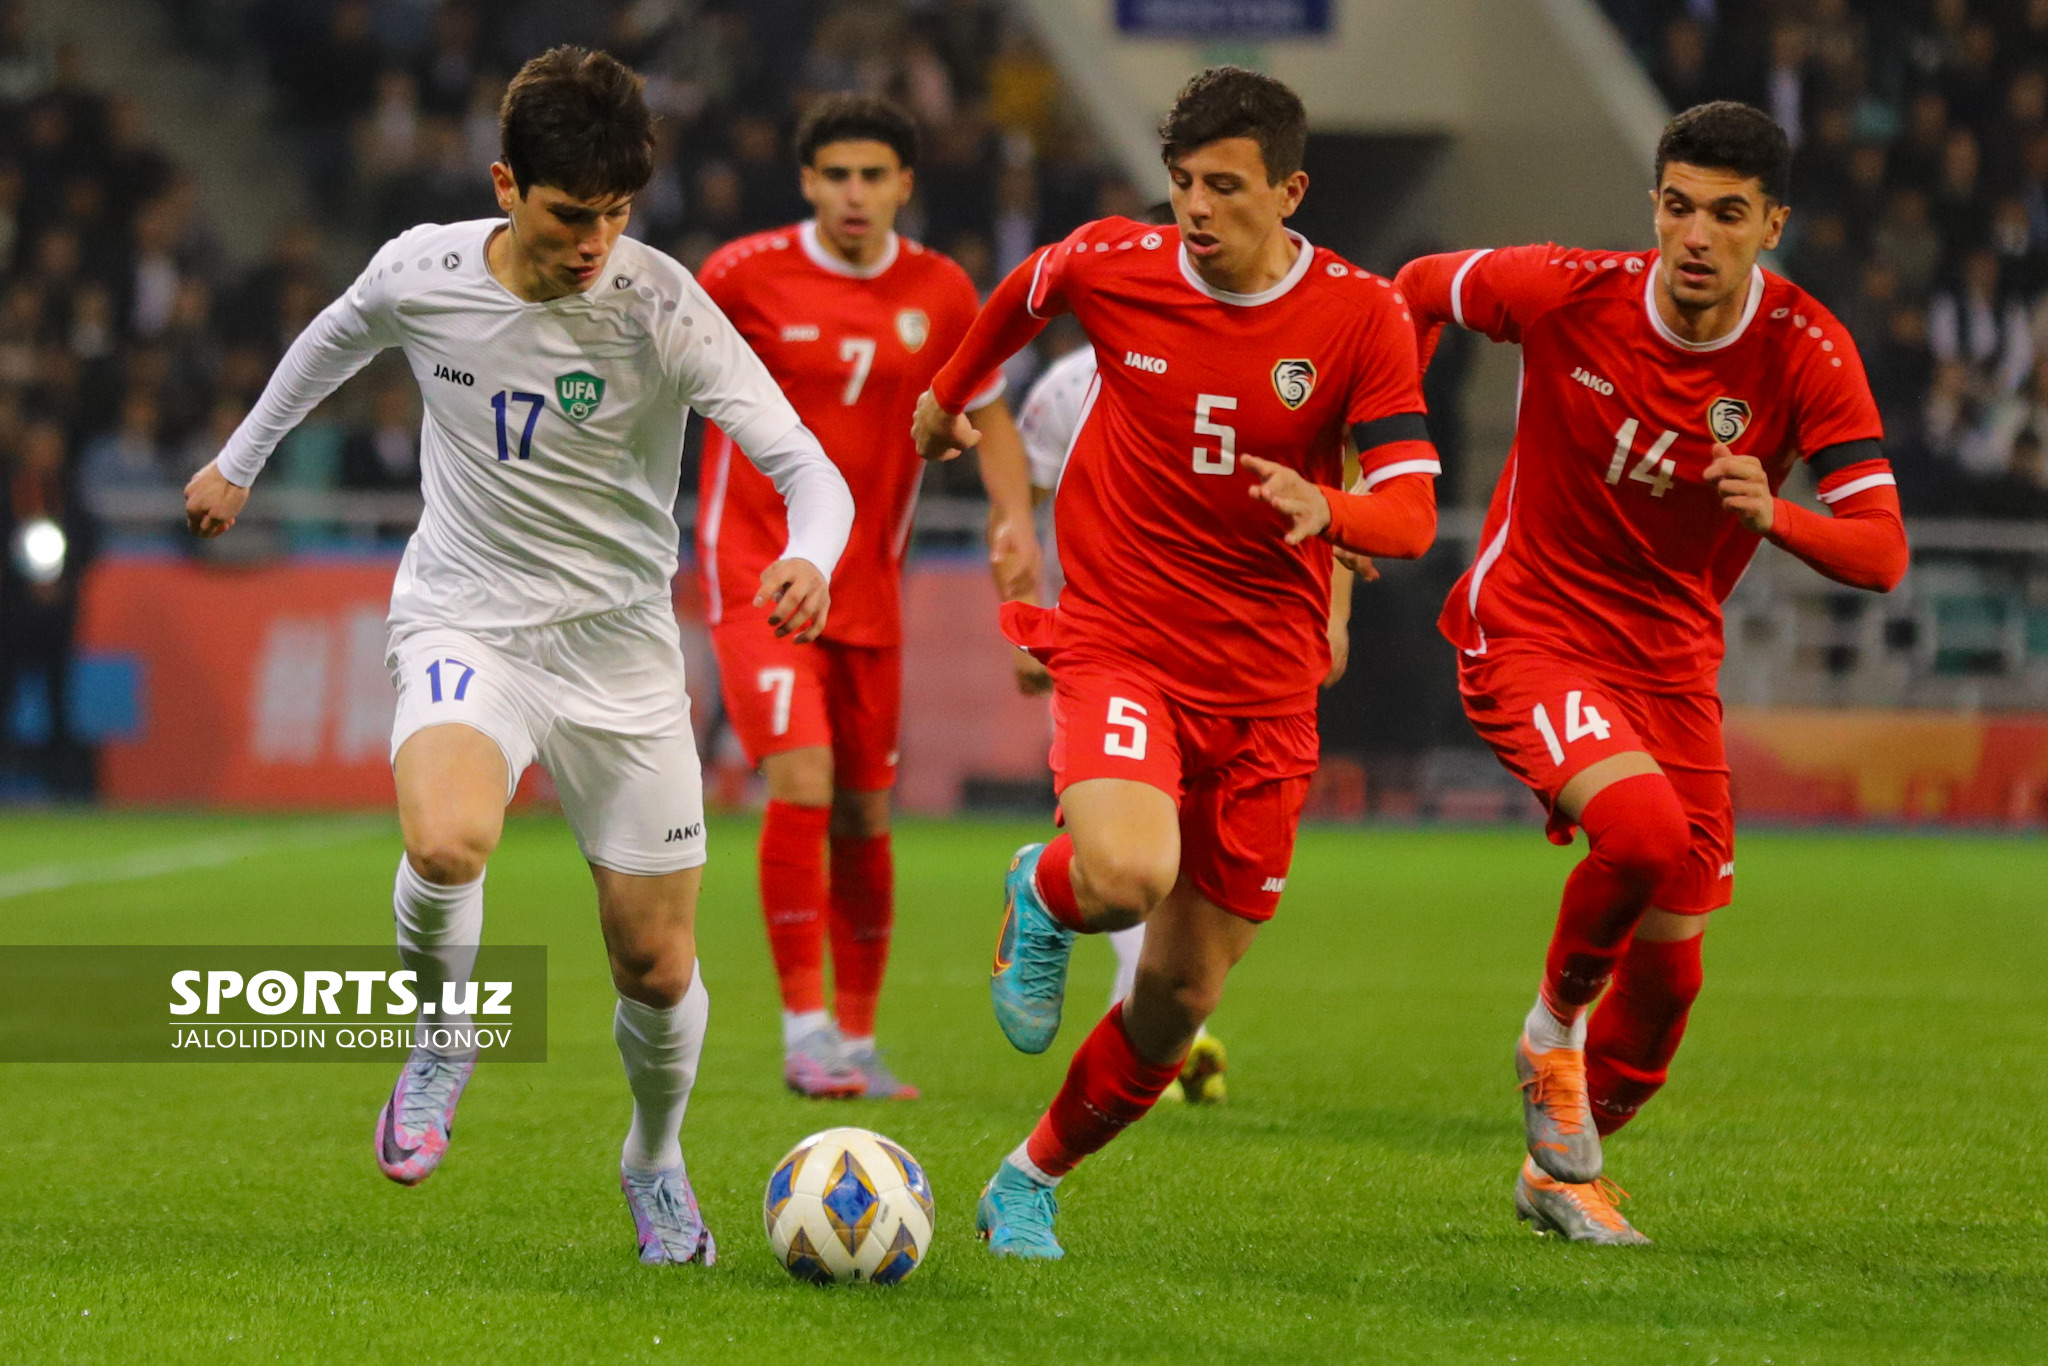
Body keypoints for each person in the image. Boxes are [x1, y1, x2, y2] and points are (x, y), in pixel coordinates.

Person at [181, 48, 854, 1267]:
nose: (596, 237)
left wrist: (814, 553)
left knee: (654, 964)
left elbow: (806, 464)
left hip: (619, 649)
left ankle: (653, 1156)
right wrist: (239, 461)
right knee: (446, 838)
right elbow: (327, 346)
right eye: (568, 211)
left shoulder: (660, 306)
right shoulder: (421, 274)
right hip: (465, 616)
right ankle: (445, 1029)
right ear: (506, 185)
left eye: (614, 213)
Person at [911, 65, 1441, 1260]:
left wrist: (1331, 506)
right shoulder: (1119, 261)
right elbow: (1023, 289)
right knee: (1126, 870)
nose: (1193, 209)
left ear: (1288, 190)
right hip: (1122, 637)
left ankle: (1028, 1175)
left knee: (1180, 999)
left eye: (1223, 187)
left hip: (1263, 687)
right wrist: (947, 396)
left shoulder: (1358, 319)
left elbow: (1409, 513)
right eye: (1181, 183)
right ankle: (1042, 892)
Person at [1394, 101, 1907, 1245]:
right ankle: (1549, 1030)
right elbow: (1416, 288)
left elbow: (1879, 549)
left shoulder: (1804, 347)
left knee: (1671, 987)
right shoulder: (1564, 289)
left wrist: (1775, 513)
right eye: (1677, 206)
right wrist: (1385, 446)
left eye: (1726, 215)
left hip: (1670, 666)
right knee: (1638, 833)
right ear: (1653, 207)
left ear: (1768, 224)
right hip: (1528, 625)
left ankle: (1560, 1178)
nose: (1695, 237)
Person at [694, 94, 1036, 1101]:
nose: (853, 192)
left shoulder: (939, 287)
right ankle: (803, 1028)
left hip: (868, 586)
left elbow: (990, 413)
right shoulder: (741, 276)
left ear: (903, 185)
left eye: (871, 175)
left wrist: (1011, 519)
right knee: (799, 780)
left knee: (863, 812)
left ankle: (855, 1035)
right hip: (755, 568)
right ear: (806, 181)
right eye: (835, 173)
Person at [1012, 333, 1362, 1105]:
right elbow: (1023, 503)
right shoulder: (1067, 387)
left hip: (1239, 663)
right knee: (1133, 855)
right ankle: (1076, 936)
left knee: (1178, 869)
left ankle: (1147, 1024)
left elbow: (1346, 474)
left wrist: (1333, 611)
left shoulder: (1293, 352)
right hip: (1112, 642)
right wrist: (1034, 607)